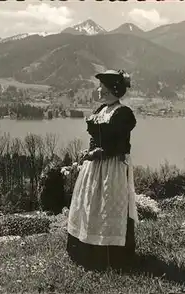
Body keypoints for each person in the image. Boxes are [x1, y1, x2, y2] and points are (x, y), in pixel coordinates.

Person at [66, 69, 138, 271]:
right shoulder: (101, 111)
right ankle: (86, 251)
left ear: (110, 91)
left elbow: (120, 144)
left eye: (102, 87)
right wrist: (89, 151)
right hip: (95, 167)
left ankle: (111, 257)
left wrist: (99, 152)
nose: (98, 90)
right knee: (90, 204)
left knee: (108, 203)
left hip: (111, 167)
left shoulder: (123, 113)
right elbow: (95, 137)